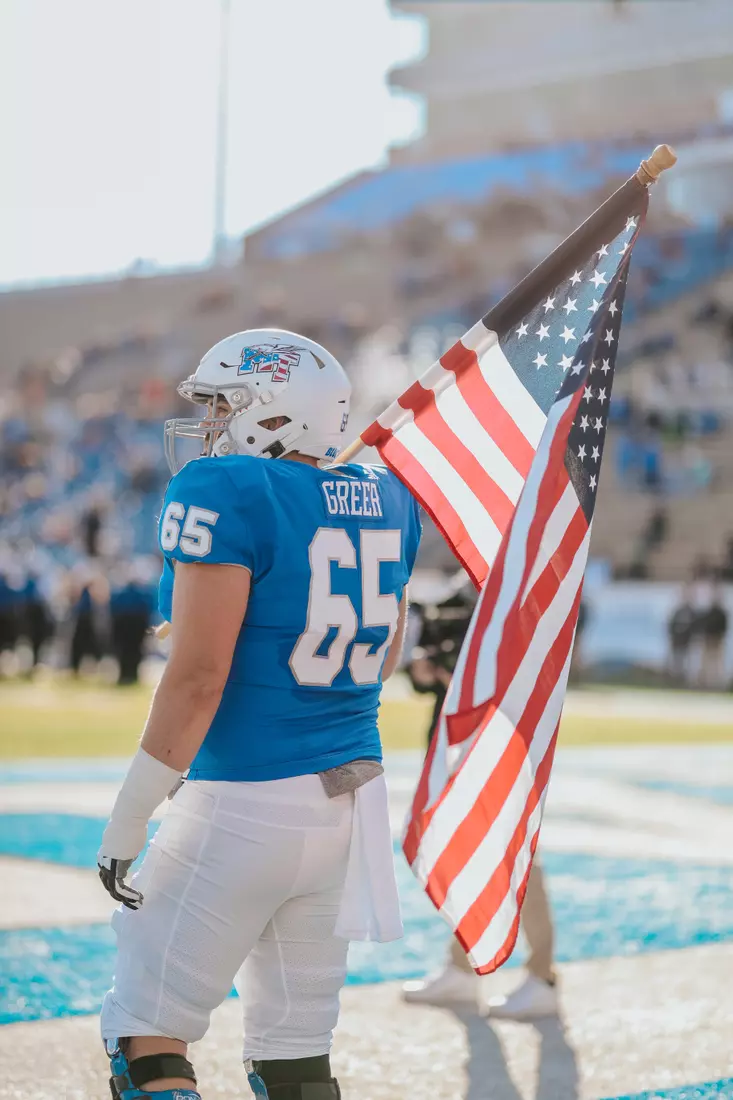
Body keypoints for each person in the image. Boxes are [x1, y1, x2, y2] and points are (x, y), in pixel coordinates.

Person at [96, 329, 422, 1100]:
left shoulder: (226, 491)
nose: (209, 424)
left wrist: (129, 817)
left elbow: (198, 680)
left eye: (222, 405)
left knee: (145, 1035)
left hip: (242, 801)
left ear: (273, 414)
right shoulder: (390, 496)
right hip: (347, 804)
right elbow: (380, 653)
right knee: (295, 1058)